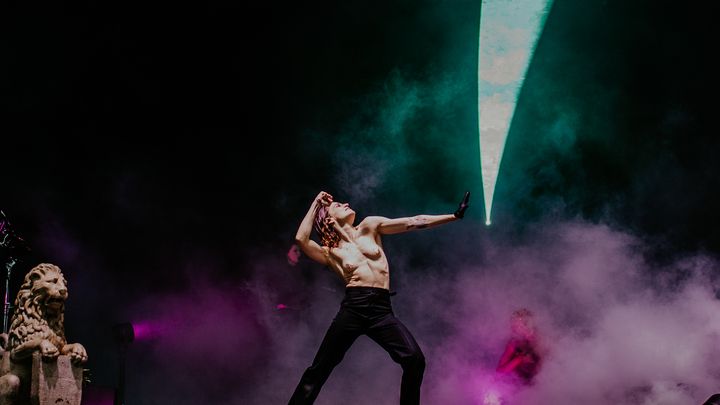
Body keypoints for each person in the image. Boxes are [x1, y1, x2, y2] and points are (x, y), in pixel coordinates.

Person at [288, 190, 470, 405]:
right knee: (320, 368)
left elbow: (413, 222)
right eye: (337, 205)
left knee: (414, 359)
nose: (345, 203)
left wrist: (453, 216)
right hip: (354, 307)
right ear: (328, 218)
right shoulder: (330, 252)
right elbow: (301, 238)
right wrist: (316, 202)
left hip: (381, 310)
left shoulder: (370, 226)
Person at [495, 308, 542, 385]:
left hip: (544, 385)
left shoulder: (542, 340)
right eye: (513, 324)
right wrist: (519, 359)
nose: (513, 327)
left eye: (517, 324)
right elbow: (500, 371)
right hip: (523, 388)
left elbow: (554, 365)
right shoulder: (514, 344)